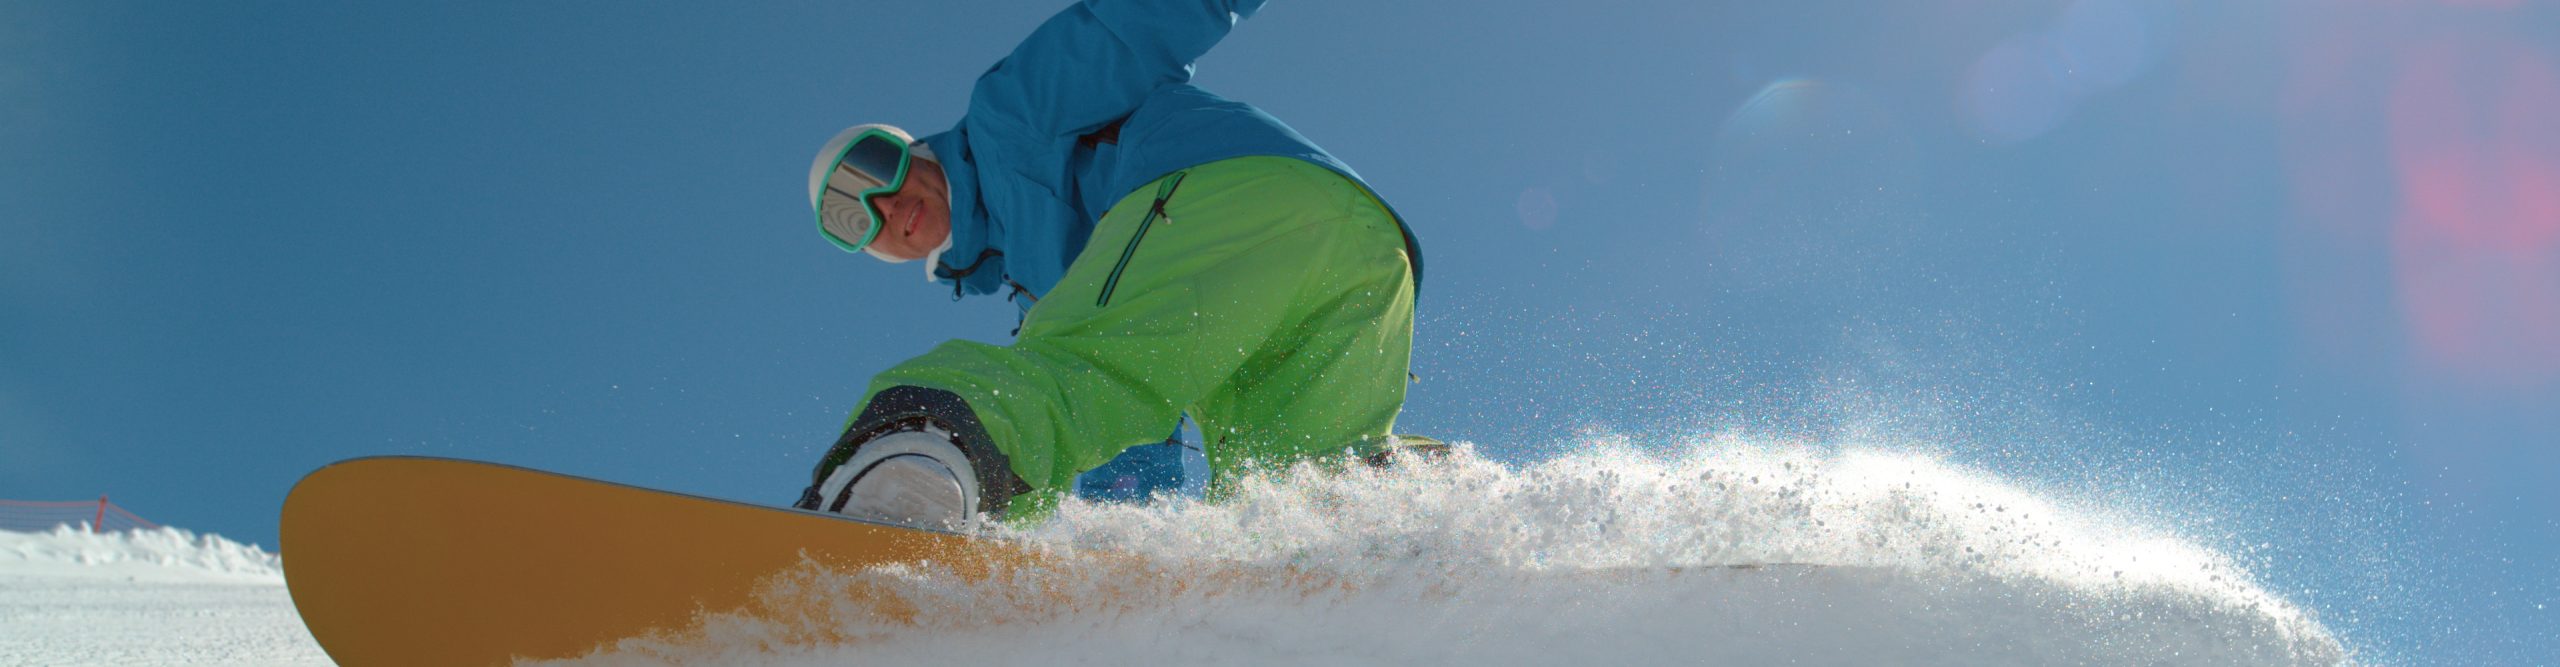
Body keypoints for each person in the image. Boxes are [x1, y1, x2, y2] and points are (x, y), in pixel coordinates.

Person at [793, 0, 1423, 530]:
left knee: (1062, 374)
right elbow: (1134, 423)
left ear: (912, 150)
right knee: (1293, 491)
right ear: (877, 251)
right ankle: (1411, 520)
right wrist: (1128, 553)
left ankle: (914, 459)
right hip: (1363, 249)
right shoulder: (1048, 282)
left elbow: (1136, 20)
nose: (883, 202)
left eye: (872, 168)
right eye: (853, 219)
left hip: (1228, 193)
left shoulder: (1008, 115)